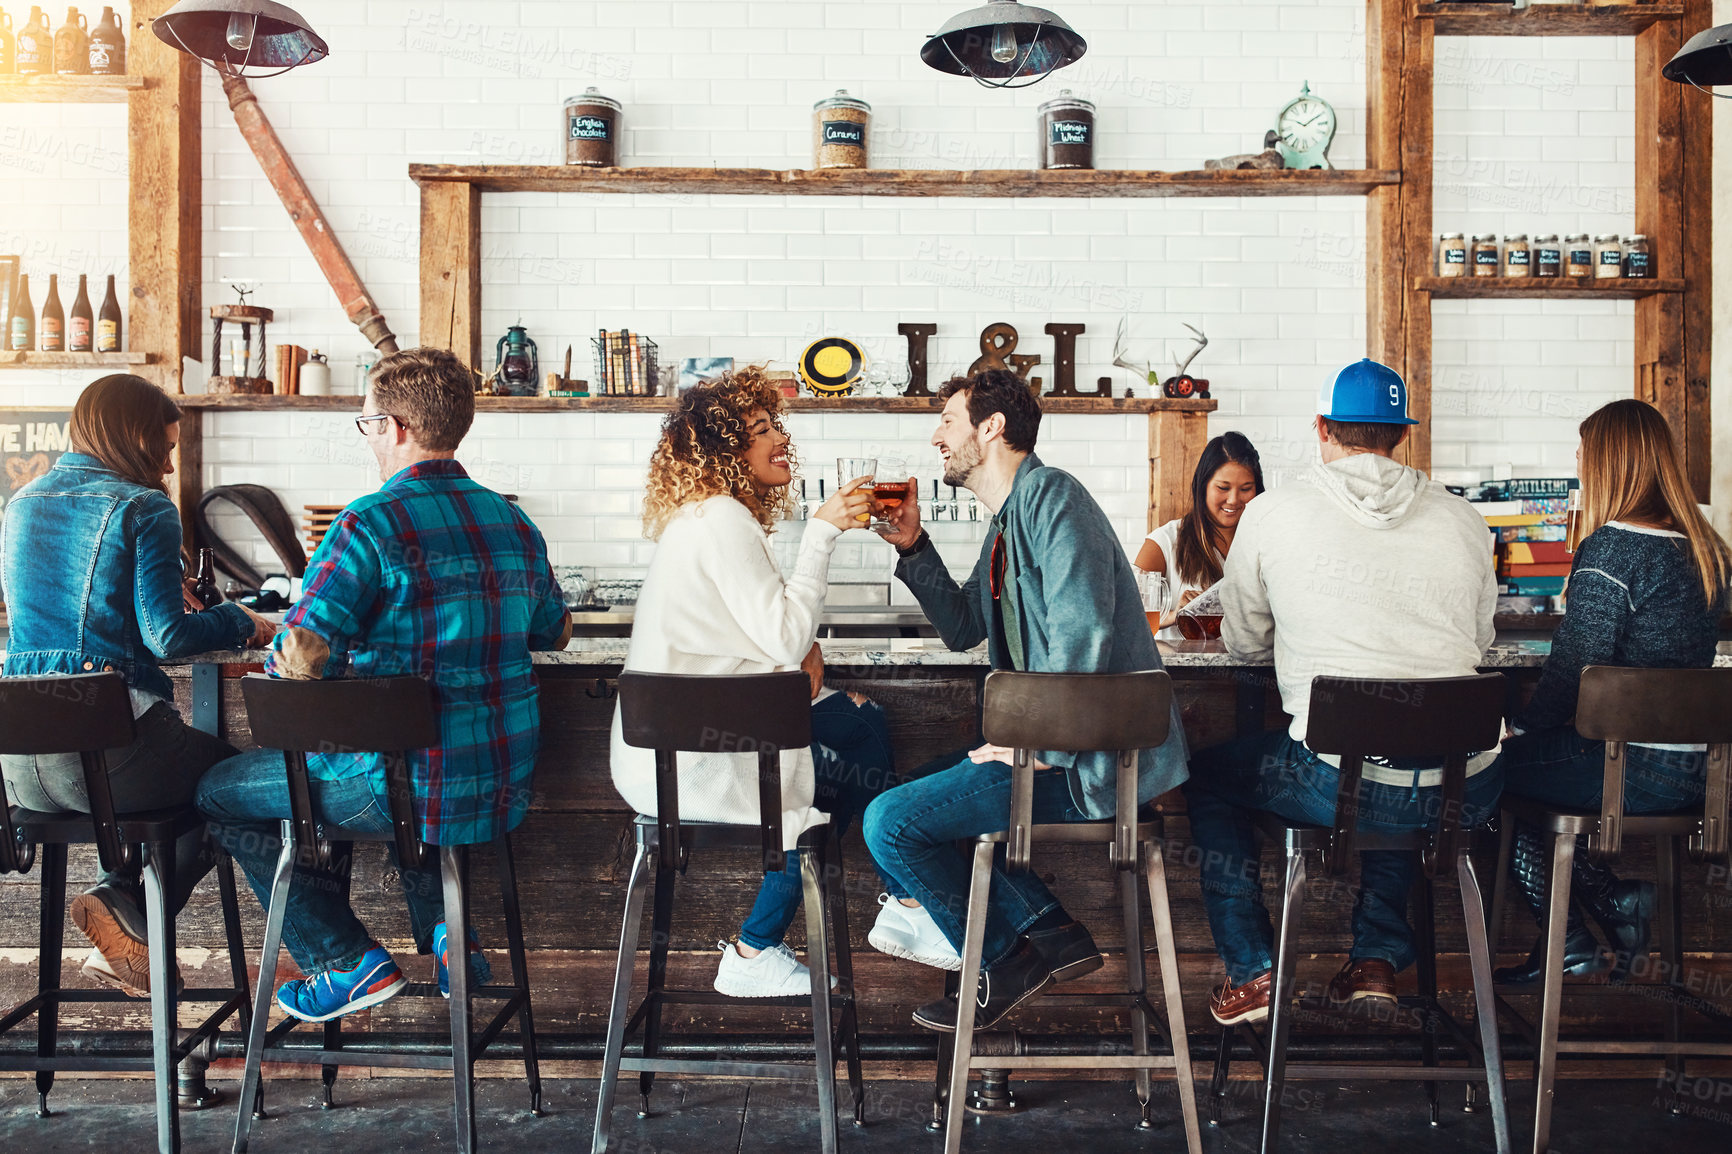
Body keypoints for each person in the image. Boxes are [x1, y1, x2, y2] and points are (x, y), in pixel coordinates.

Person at [196, 347, 571, 1022]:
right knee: (411, 786)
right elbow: (555, 630)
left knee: (219, 793)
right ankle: (454, 943)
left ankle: (346, 961)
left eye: (367, 422)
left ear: (395, 428)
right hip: (498, 782)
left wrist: (280, 640)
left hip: (396, 787)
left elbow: (303, 656)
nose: (368, 434)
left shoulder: (368, 522)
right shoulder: (512, 522)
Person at [864, 369, 1190, 1032]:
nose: (937, 437)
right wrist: (913, 546)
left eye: (949, 421)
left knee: (890, 824)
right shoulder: (1009, 520)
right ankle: (1053, 932)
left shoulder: (1054, 497)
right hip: (1058, 750)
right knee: (919, 790)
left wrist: (1036, 741)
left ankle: (1002, 962)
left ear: (992, 427)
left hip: (1094, 767)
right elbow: (962, 628)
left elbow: (1085, 629)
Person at [1184, 358, 1503, 1026]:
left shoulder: (1271, 514)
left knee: (1206, 776)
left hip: (1333, 781)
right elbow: (1477, 644)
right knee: (1402, 765)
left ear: (1322, 428)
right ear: (1402, 436)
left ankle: (1254, 971)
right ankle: (1378, 957)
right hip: (1465, 787)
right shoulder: (1466, 519)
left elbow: (1243, 644)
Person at [612, 368, 898, 998]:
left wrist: (790, 664)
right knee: (859, 731)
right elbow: (786, 639)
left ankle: (767, 941)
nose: (779, 440)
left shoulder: (706, 517)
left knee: (852, 727)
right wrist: (822, 533)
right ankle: (882, 905)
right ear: (723, 449)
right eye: (761, 429)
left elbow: (762, 641)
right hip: (700, 766)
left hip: (668, 757)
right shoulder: (721, 518)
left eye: (777, 426)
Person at [0, 375, 276, 996]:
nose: (171, 462)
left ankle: (125, 918)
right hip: (110, 757)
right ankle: (119, 899)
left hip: (21, 773)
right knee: (234, 789)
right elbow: (168, 639)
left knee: (203, 786)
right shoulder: (142, 507)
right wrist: (244, 623)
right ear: (134, 438)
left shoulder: (21, 502)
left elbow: (64, 620)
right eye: (165, 446)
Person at [1496, 399, 1731, 985]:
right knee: (1518, 776)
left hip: (1625, 769)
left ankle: (1575, 938)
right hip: (1703, 774)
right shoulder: (1706, 549)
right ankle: (1613, 904)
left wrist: (1517, 732)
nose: (1575, 461)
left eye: (1582, 451)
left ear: (1609, 463)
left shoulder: (1611, 550)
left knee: (1484, 774)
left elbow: (1573, 673)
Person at [1133, 432, 1264, 639]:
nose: (1233, 499)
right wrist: (1175, 615)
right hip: (1181, 671)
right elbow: (1126, 617)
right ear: (1202, 486)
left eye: (1246, 489)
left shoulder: (1266, 542)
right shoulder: (1165, 542)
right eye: (1223, 487)